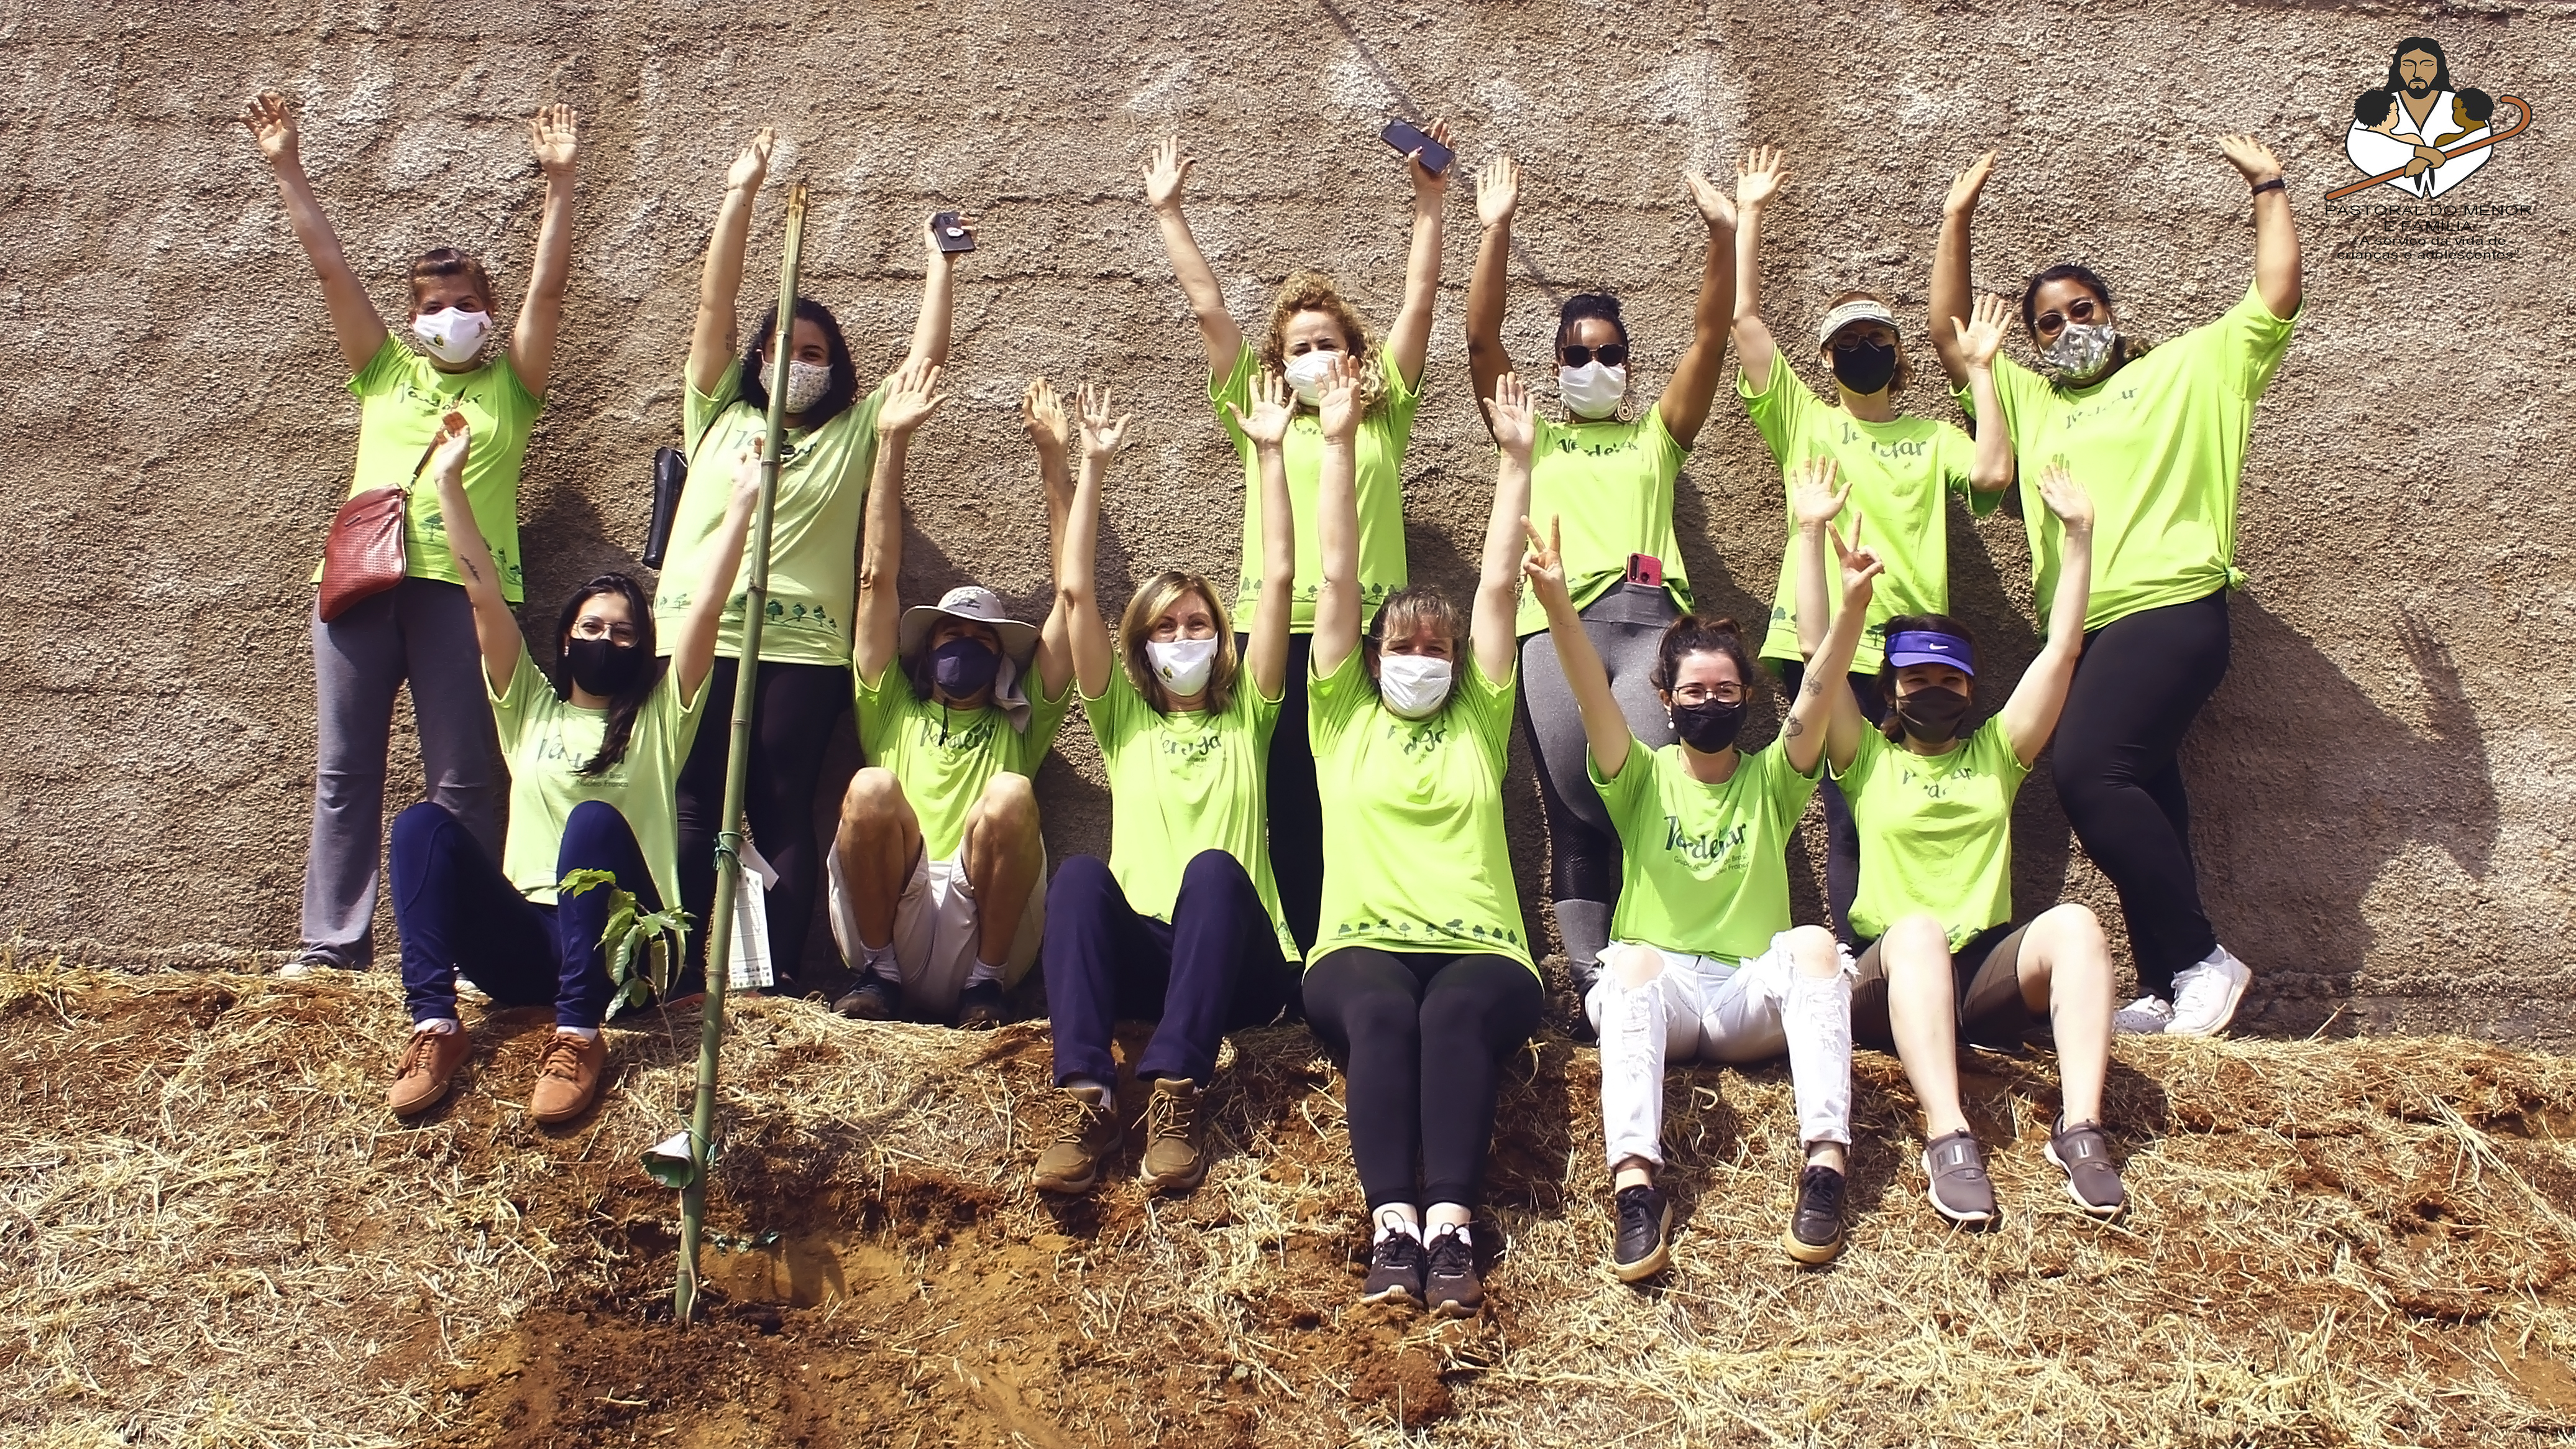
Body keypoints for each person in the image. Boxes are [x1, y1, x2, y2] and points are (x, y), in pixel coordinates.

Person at [1930, 138, 2302, 1037]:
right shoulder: (2033, 403)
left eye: (2079, 310)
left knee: (2089, 772)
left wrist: (2268, 186)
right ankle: (2171, 979)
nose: (2064, 330)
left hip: (2172, 610)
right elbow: (1949, 334)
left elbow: (2275, 296)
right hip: (2090, 628)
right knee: (2146, 787)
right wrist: (1955, 218)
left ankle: (2204, 956)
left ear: (2110, 310)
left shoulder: (2185, 371)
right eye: (2047, 323)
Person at [241, 91, 580, 977]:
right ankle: (330, 946)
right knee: (345, 771)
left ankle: (464, 951)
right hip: (361, 587)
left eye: (463, 301)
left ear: (486, 308)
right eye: (431, 304)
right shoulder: (385, 369)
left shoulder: (514, 384)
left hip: (467, 596)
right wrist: (287, 165)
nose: (447, 316)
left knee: (465, 775)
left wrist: (562, 186)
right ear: (413, 315)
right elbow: (330, 271)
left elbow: (548, 287)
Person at [1524, 454, 1882, 1276]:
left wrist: (1849, 599)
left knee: (1818, 947)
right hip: (1666, 994)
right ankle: (1636, 1189)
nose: (1709, 703)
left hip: (1743, 994)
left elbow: (1821, 690)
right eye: (1693, 692)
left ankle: (1825, 1166)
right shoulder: (1639, 775)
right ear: (1665, 701)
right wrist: (1555, 607)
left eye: (1726, 690)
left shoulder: (1770, 779)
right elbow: (1588, 693)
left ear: (1748, 698)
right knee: (1630, 962)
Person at [661, 129, 972, 996]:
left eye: (812, 354)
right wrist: (740, 195)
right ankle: (683, 965)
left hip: (800, 648)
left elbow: (924, 366)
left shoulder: (848, 436)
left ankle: (774, 978)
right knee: (689, 799)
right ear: (755, 363)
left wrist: (941, 265)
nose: (794, 364)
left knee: (782, 801)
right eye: (781, 351)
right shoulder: (717, 414)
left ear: (833, 369)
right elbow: (713, 306)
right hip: (697, 629)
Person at [382, 415, 757, 1123]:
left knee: (591, 825)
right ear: (566, 637)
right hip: (528, 948)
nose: (606, 640)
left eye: (622, 632)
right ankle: (433, 1025)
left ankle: (580, 1036)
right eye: (592, 628)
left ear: (643, 647)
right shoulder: (528, 708)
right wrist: (449, 485)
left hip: (630, 952)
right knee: (420, 826)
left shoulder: (660, 717)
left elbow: (707, 605)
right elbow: (482, 594)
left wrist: (741, 502)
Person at [1142, 127, 1449, 957]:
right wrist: (1169, 211)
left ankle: (1373, 941)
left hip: (1369, 640)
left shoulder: (1385, 415)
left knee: (1370, 790)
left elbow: (1420, 301)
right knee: (1290, 796)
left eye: (1329, 343)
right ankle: (1304, 951)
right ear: (1279, 362)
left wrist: (1429, 202)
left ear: (1356, 355)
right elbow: (1210, 308)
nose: (1316, 357)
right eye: (1299, 346)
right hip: (1276, 633)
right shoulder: (1262, 417)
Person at [1823, 461, 2129, 1225]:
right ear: (1890, 688)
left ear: (1970, 690)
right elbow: (1815, 658)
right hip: (1888, 977)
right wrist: (1837, 584)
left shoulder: (1995, 752)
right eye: (1917, 678)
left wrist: (2080, 537)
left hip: (1977, 974)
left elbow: (2061, 652)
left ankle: (2081, 1128)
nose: (1933, 691)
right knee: (1919, 931)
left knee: (2076, 925)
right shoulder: (1864, 757)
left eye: (1950, 682)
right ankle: (1947, 1135)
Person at [1462, 154, 1738, 995]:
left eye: (1609, 353)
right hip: (1559, 633)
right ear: (1552, 369)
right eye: (1576, 355)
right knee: (1574, 815)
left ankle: (1654, 972)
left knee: (1639, 806)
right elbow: (1478, 339)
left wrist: (1722, 235)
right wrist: (1496, 229)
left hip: (1655, 631)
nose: (1594, 367)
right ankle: (1589, 988)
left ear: (1627, 361)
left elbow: (1710, 336)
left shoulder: (1658, 435)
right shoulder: (1529, 435)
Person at [1299, 362, 1540, 1317]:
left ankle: (1451, 1226)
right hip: (1357, 946)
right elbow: (1334, 575)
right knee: (1386, 1015)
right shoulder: (1339, 719)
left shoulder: (1481, 718)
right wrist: (1333, 442)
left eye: (1435, 647)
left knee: (1449, 1015)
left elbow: (1496, 584)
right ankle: (1391, 1221)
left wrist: (1516, 462)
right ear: (1370, 658)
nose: (1420, 658)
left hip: (1484, 949)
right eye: (1401, 645)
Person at [1730, 144, 2012, 946]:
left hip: (1911, 648)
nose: (1864, 349)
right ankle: (1864, 958)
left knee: (1900, 802)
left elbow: (1993, 468)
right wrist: (1750, 213)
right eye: (1847, 340)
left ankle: (1924, 944)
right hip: (1820, 640)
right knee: (1850, 806)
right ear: (1824, 358)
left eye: (1877, 338)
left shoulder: (1929, 434)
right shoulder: (1803, 419)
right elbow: (1745, 323)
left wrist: (1984, 374)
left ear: (1897, 354)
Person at [1030, 375, 1304, 1197]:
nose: (1182, 636)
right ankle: (1084, 1094)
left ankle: (1175, 1092)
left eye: (1197, 623)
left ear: (1221, 636)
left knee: (1215, 870)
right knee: (1078, 875)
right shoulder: (1124, 722)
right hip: (1145, 956)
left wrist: (1269, 453)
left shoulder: (1248, 713)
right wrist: (1090, 464)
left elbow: (1282, 578)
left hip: (1240, 970)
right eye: (1164, 625)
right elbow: (1074, 590)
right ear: (1139, 643)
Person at [827, 366, 1076, 1029]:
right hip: (891, 920)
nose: (961, 646)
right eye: (949, 634)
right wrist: (890, 444)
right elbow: (875, 578)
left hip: (983, 935)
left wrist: (1055, 461)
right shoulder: (891, 709)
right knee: (872, 786)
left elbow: (1073, 600)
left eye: (980, 639)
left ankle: (985, 990)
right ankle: (874, 976)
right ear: (925, 649)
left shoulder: (1020, 724)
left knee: (1012, 794)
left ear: (1001, 659)